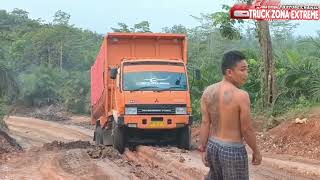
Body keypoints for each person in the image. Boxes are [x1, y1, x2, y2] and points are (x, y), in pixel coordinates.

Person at [199, 50, 262, 180]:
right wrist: (256, 151)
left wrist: (203, 148)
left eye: (246, 70)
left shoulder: (208, 92)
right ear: (229, 72)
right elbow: (247, 129)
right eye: (243, 70)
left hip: (213, 146)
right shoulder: (241, 96)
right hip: (232, 150)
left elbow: (205, 123)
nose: (246, 74)